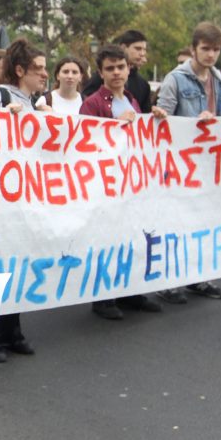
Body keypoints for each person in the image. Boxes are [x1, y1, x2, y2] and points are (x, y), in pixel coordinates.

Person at [79, 46, 167, 319]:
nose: (116, 73)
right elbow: (83, 144)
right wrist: (116, 125)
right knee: (106, 240)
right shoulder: (92, 104)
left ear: (128, 69)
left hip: (131, 183)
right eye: (110, 68)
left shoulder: (132, 99)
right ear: (101, 72)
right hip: (105, 184)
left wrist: (153, 121)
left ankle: (130, 292)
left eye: (120, 67)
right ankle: (103, 298)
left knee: (131, 236)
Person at [0, 39, 49, 362]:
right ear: (20, 70)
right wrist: (1, 119)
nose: (45, 75)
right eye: (39, 69)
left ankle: (12, 330)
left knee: (18, 259)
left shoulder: (36, 103)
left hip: (23, 196)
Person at [155, 22, 221, 303]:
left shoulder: (219, 80)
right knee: (174, 221)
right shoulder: (175, 78)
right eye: (206, 49)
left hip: (206, 161)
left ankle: (198, 277)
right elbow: (163, 121)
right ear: (194, 48)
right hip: (177, 162)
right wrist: (192, 124)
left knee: (201, 220)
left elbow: (220, 121)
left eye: (216, 50)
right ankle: (168, 281)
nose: (211, 55)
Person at [82, 30, 152, 112]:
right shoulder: (92, 101)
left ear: (128, 69)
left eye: (121, 67)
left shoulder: (141, 87)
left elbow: (144, 118)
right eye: (138, 49)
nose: (142, 53)